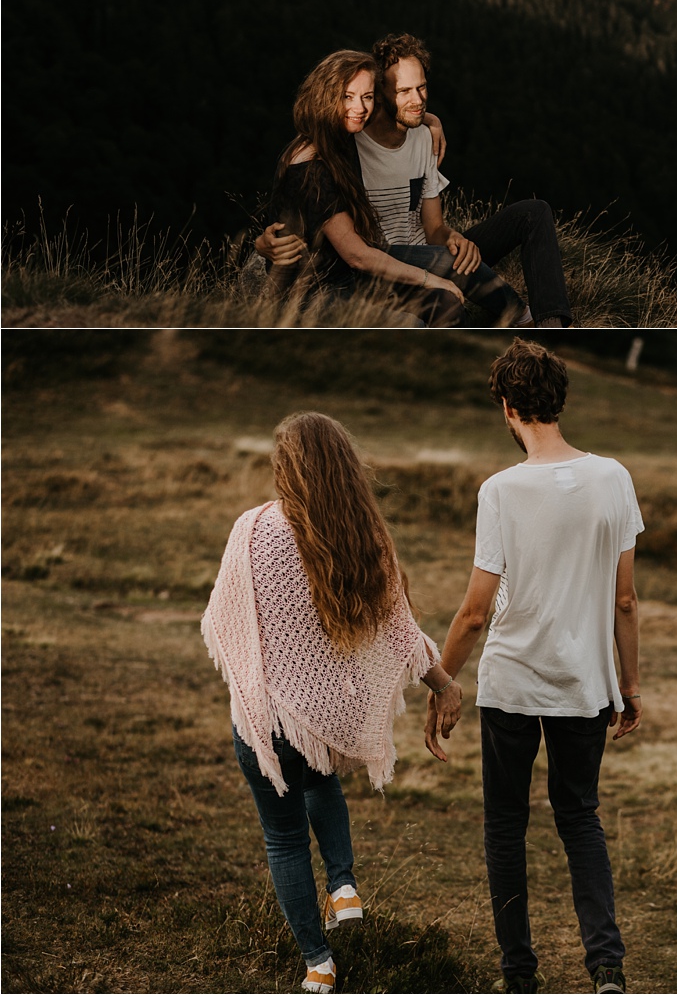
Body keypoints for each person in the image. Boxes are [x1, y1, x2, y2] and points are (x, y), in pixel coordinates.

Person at [202, 412, 462, 995]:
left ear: (285, 470)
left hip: (266, 723)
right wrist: (443, 683)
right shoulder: (367, 538)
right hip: (324, 718)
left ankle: (319, 962)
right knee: (322, 782)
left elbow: (226, 619)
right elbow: (399, 630)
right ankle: (342, 885)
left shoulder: (252, 530)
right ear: (345, 468)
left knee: (284, 838)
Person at [423, 339, 643, 995]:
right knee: (580, 817)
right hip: (585, 684)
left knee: (505, 827)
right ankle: (606, 966)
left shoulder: (501, 490)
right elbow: (625, 598)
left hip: (512, 682)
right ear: (559, 400)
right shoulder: (614, 477)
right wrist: (628, 684)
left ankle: (519, 974)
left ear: (509, 405)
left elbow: (473, 612)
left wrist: (441, 681)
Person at [259, 34, 573, 327]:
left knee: (533, 212)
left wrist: (455, 238)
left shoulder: (421, 134)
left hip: (423, 252)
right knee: (447, 288)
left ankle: (548, 322)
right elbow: (300, 198)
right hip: (377, 263)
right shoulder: (347, 138)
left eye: (421, 88)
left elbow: (434, 227)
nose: (418, 100)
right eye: (403, 91)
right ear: (384, 95)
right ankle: (509, 318)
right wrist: (263, 244)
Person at [262, 48, 467, 325]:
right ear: (326, 95)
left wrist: (431, 120)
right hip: (316, 294)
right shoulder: (311, 166)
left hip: (353, 280)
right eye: (347, 96)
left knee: (447, 304)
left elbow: (396, 112)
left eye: (367, 97)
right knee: (413, 323)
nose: (359, 108)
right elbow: (357, 256)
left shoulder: (343, 132)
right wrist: (431, 280)